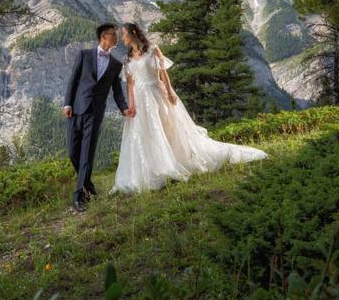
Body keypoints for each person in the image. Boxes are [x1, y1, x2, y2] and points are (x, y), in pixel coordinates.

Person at [111, 22, 268, 194]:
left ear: (133, 33)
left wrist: (170, 92)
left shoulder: (152, 50)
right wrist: (131, 105)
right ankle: (152, 169)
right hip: (140, 100)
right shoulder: (127, 59)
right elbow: (130, 85)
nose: (122, 38)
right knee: (145, 134)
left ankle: (172, 163)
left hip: (157, 94)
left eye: (124, 34)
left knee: (167, 129)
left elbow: (163, 73)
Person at [62, 23, 131, 212]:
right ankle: (88, 185)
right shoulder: (84, 55)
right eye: (113, 35)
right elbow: (73, 81)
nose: (116, 38)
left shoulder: (116, 65)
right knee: (72, 153)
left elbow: (117, 92)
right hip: (75, 110)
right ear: (103, 37)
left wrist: (124, 108)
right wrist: (67, 104)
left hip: (95, 114)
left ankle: (79, 197)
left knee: (87, 155)